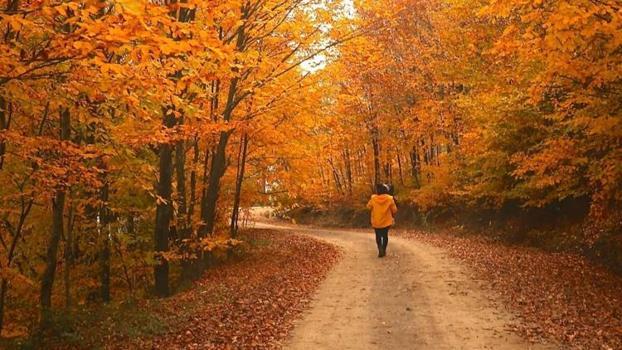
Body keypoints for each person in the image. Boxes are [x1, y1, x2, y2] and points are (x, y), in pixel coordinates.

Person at [366, 184, 398, 258]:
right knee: (385, 235)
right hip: (386, 221)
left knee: (378, 236)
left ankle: (380, 249)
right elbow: (394, 210)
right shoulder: (389, 199)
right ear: (386, 190)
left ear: (377, 191)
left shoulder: (373, 198)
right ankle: (383, 250)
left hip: (376, 221)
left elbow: (368, 207)